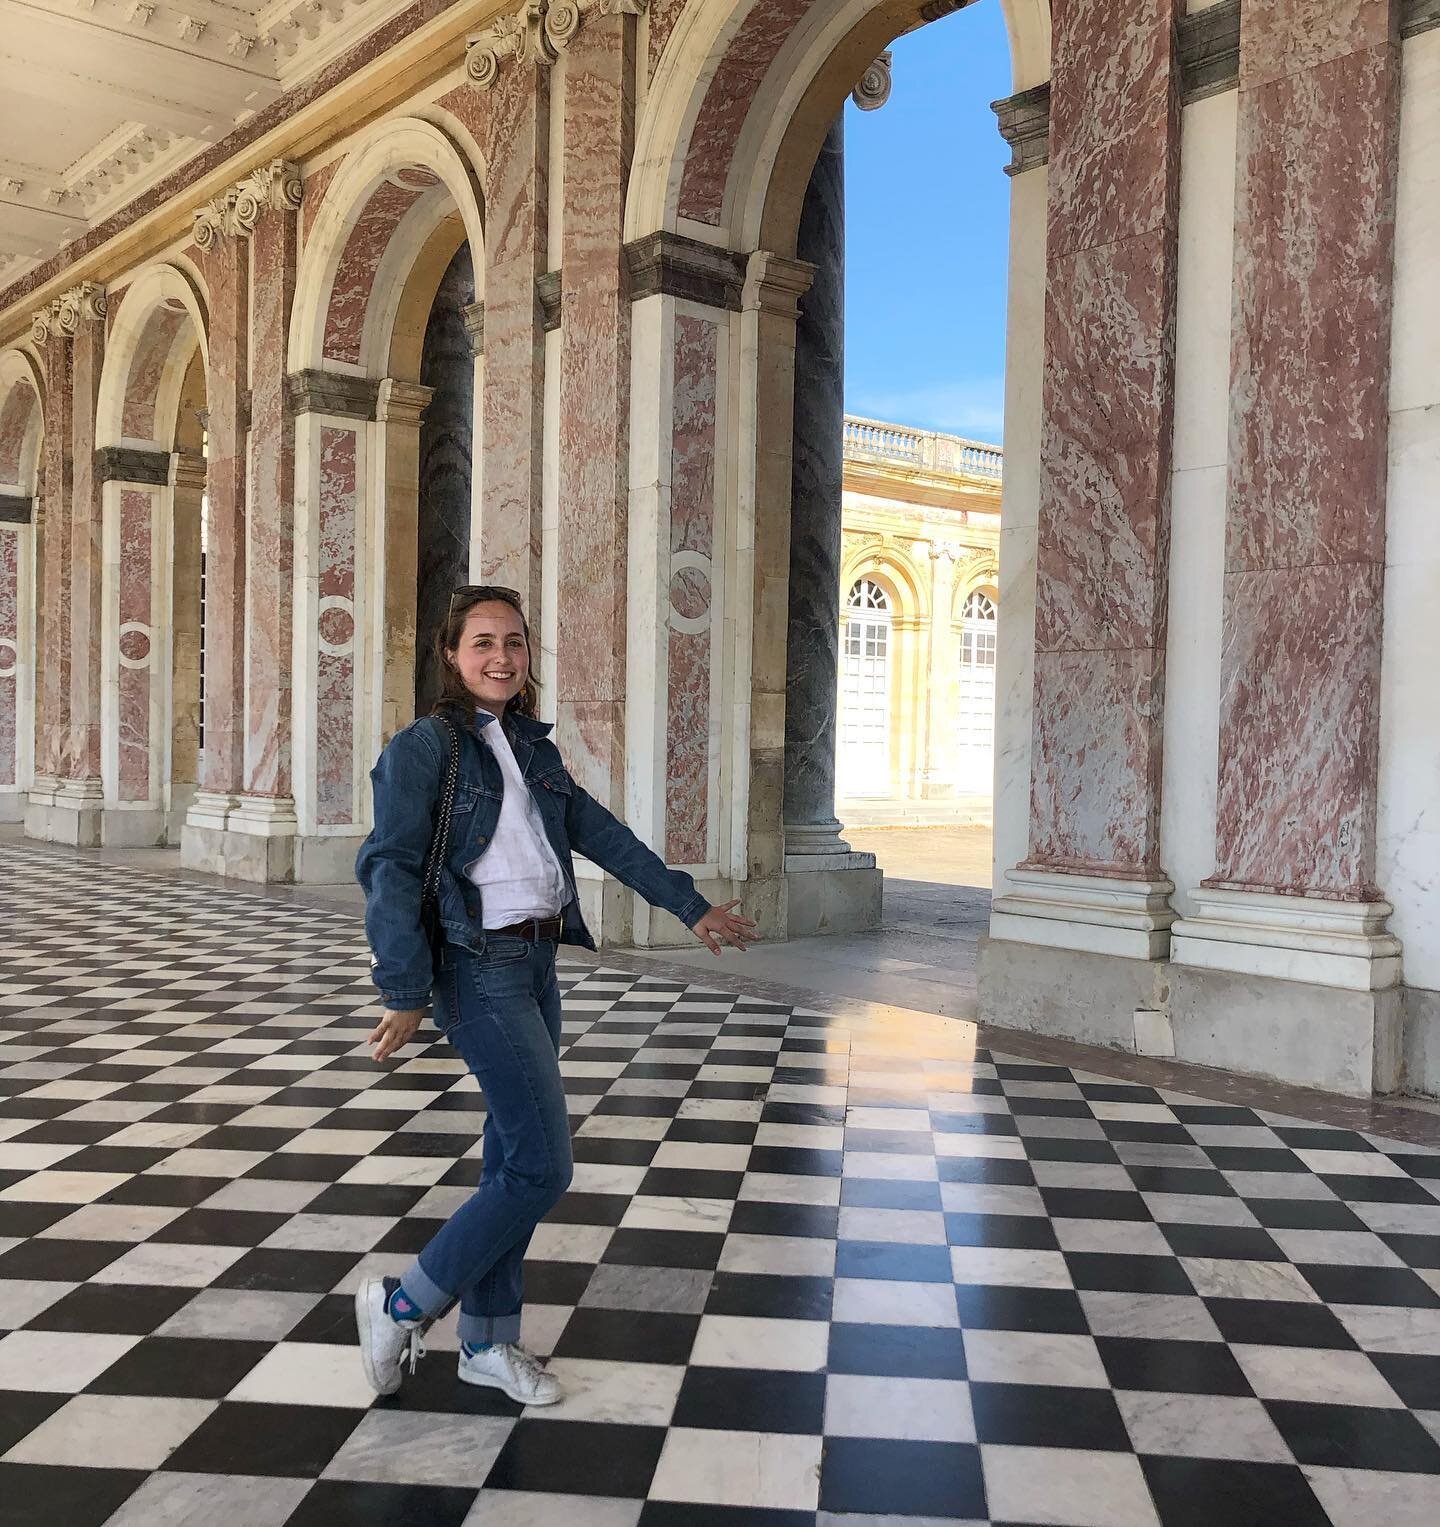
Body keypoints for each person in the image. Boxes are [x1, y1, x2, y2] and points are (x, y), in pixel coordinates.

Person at [353, 585, 756, 1406]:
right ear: (452, 654)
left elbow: (600, 832)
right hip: (477, 967)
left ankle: (486, 1343)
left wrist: (689, 903)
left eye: (514, 641)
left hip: (536, 965)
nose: (501, 656)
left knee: (511, 1157)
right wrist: (403, 986)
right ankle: (402, 1304)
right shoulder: (424, 748)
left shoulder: (530, 747)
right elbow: (389, 867)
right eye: (483, 642)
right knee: (543, 1165)